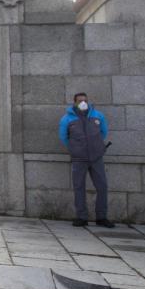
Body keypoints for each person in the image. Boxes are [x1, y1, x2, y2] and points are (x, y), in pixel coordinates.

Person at [58, 92, 115, 228]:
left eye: (85, 100)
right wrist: (75, 148)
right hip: (79, 158)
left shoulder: (97, 115)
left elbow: (103, 132)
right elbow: (63, 137)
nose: (83, 103)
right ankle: (81, 217)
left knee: (102, 186)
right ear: (74, 102)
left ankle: (101, 217)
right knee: (79, 187)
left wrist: (96, 146)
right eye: (80, 101)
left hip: (96, 157)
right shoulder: (67, 119)